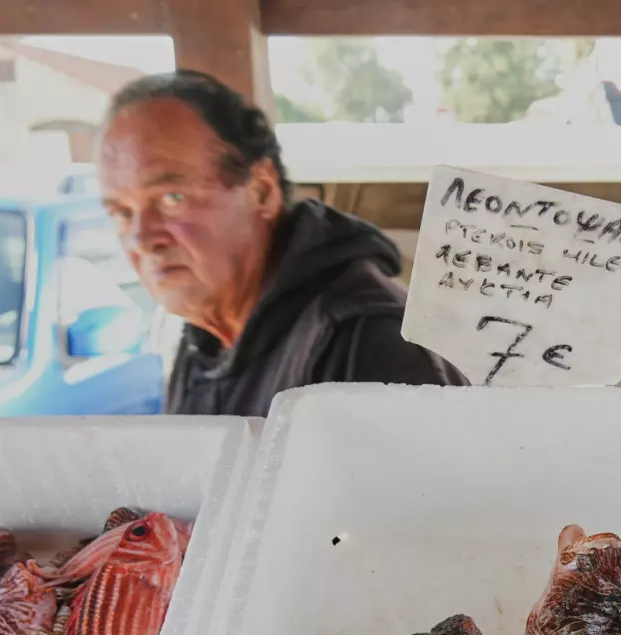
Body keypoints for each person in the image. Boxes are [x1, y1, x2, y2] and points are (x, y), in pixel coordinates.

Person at [96, 70, 463, 415]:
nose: (142, 239)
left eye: (171, 198)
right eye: (122, 213)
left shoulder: (366, 342)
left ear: (262, 190)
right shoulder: (203, 341)